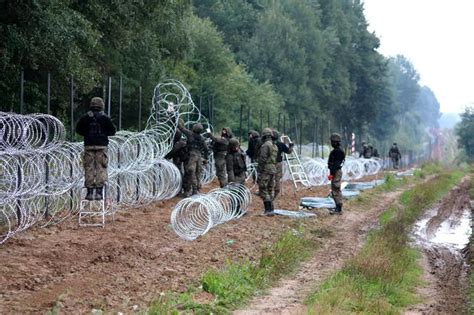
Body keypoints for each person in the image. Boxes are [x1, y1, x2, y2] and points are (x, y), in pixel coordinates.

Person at [76, 97, 116, 201]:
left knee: (88, 167)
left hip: (88, 145)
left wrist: (86, 133)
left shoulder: (85, 117)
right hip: (101, 146)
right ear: (101, 105)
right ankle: (99, 192)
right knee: (101, 167)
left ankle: (89, 192)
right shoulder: (105, 117)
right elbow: (112, 131)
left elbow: (78, 129)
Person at [178, 119, 209, 197]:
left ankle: (192, 191)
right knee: (198, 173)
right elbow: (206, 149)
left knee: (190, 171)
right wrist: (206, 158)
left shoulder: (190, 134)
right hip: (199, 156)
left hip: (192, 155)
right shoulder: (201, 138)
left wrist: (174, 117)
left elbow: (181, 128)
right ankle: (197, 189)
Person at [258, 128, 278, 215]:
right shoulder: (275, 146)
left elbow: (262, 159)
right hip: (273, 168)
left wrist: (260, 170)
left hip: (266, 168)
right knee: (270, 188)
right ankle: (271, 209)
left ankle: (268, 210)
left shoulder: (266, 145)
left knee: (263, 188)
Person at [272, 129, 294, 200]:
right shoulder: (280, 144)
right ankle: (275, 193)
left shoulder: (267, 144)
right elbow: (289, 151)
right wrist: (291, 146)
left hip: (270, 164)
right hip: (278, 163)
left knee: (269, 178)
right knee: (277, 178)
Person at [328, 133, 345, 215]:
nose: (331, 143)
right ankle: (337, 207)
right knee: (335, 190)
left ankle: (338, 209)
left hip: (336, 172)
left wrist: (331, 173)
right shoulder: (338, 151)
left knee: (336, 189)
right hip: (336, 171)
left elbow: (336, 164)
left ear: (336, 142)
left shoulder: (337, 152)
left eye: (332, 142)